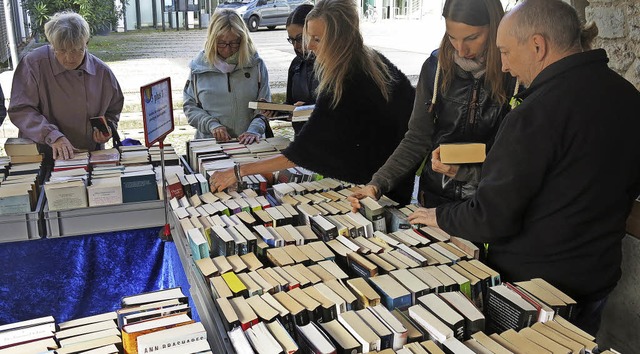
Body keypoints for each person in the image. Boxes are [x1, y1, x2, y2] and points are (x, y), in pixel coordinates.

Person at [408, 0, 640, 336]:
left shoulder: (536, 113)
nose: (503, 66)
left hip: (535, 288)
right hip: (597, 277)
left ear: (537, 46)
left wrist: (441, 217)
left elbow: (492, 217)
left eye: (505, 51)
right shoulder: (628, 98)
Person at [209, 0, 416, 204]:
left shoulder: (345, 78)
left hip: (378, 186)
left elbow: (302, 152)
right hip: (387, 178)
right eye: (309, 37)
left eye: (316, 38)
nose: (308, 46)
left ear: (339, 38)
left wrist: (238, 171)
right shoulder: (370, 60)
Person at [349, 0, 516, 209]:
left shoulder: (515, 73)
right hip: (434, 198)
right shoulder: (434, 68)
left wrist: (465, 172)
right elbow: (417, 138)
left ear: (495, 26)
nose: (461, 50)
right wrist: (377, 184)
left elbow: (518, 160)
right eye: (452, 37)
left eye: (472, 38)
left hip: (488, 202)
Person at [8, 11, 124, 160]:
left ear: (86, 43)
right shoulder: (33, 64)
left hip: (86, 154)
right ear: (52, 45)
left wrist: (106, 129)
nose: (69, 58)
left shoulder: (102, 73)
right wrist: (52, 135)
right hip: (43, 153)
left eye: (77, 50)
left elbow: (113, 110)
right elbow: (21, 110)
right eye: (61, 50)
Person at [183, 9, 271, 145]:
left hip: (251, 143)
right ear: (212, 40)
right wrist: (211, 125)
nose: (228, 49)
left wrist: (254, 130)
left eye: (234, 43)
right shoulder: (198, 68)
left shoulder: (256, 65)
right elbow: (190, 107)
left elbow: (265, 107)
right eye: (221, 43)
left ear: (243, 39)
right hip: (210, 145)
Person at [284, 4, 318, 136]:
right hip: (301, 140)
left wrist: (309, 108)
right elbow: (290, 103)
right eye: (291, 40)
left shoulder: (332, 65)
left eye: (300, 38)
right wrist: (274, 110)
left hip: (327, 143)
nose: (296, 46)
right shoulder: (296, 64)